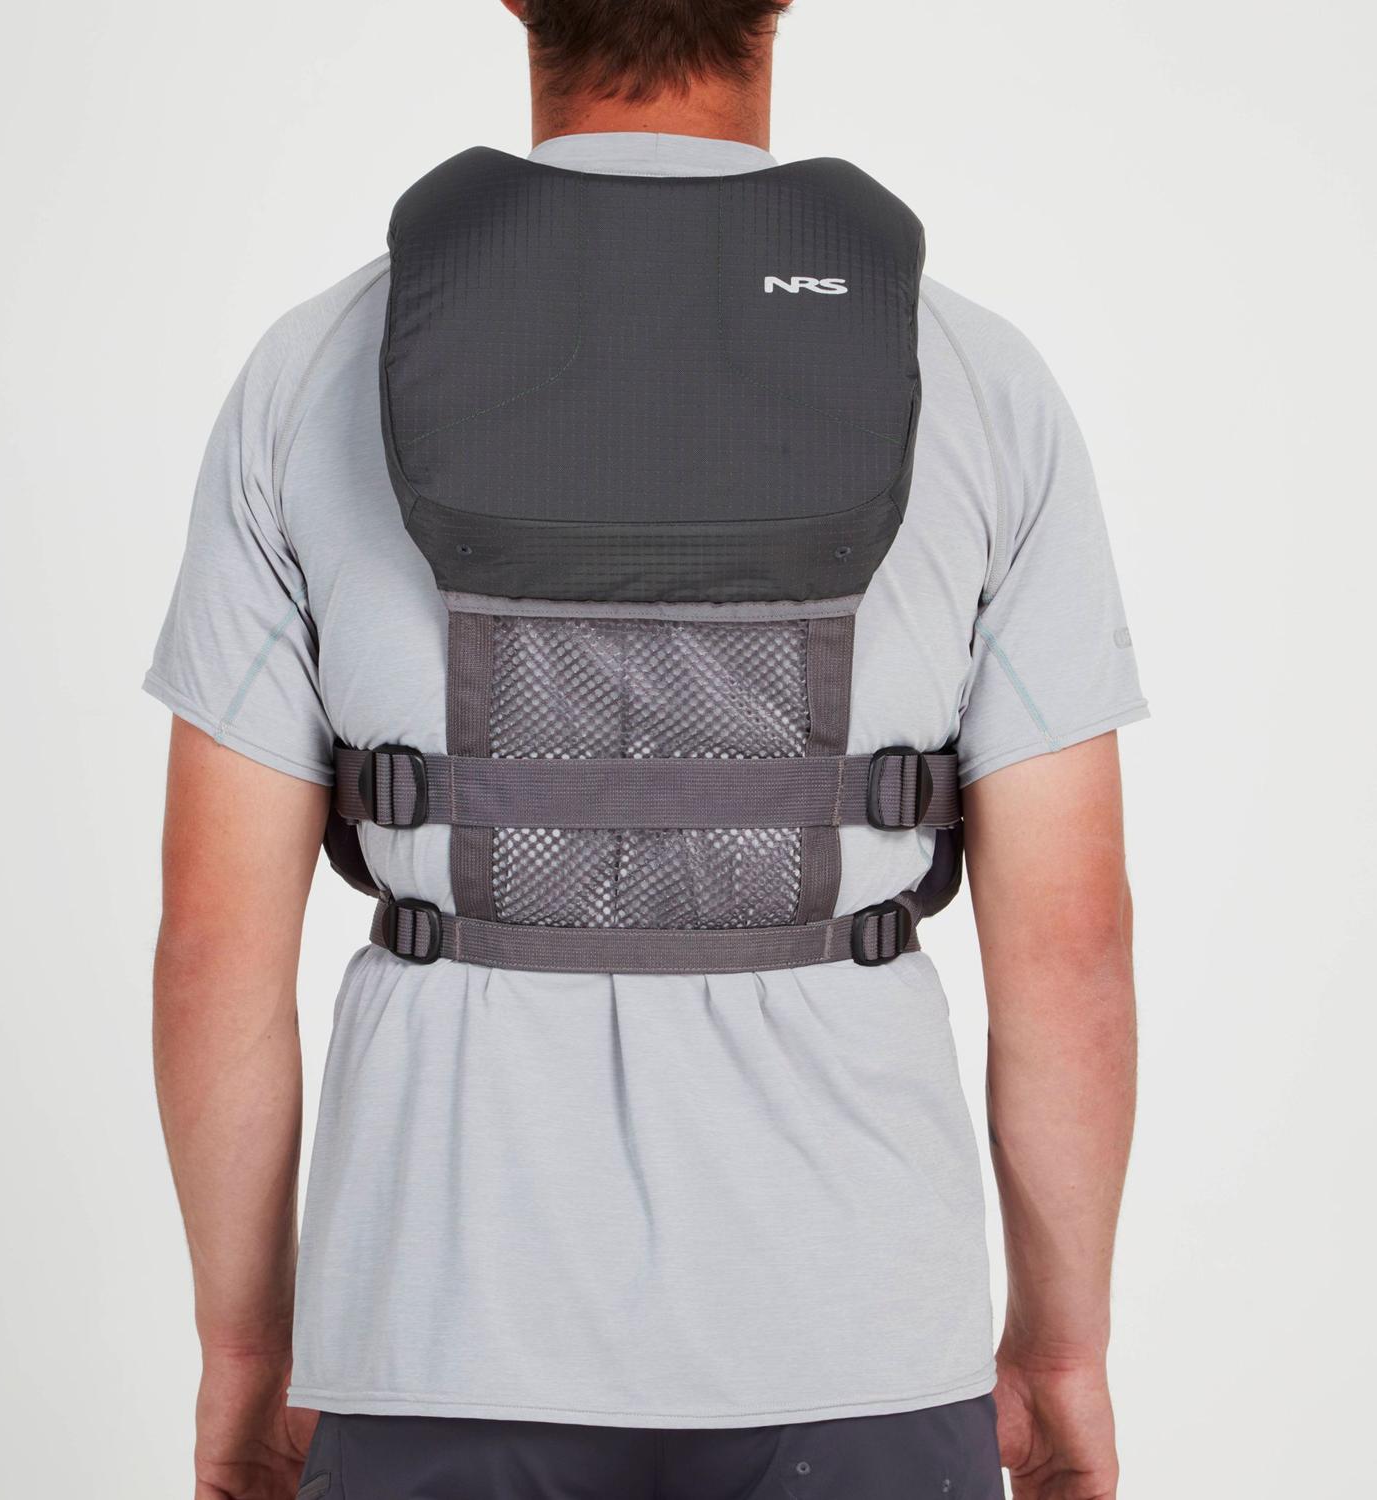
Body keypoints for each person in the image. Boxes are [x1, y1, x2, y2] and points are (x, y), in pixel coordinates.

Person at [146, 2, 1146, 1496]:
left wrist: (245, 1350)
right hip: (857, 1336)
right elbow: (1071, 947)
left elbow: (215, 941)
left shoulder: (316, 370)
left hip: (441, 1331)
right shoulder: (975, 380)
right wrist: (1061, 1352)